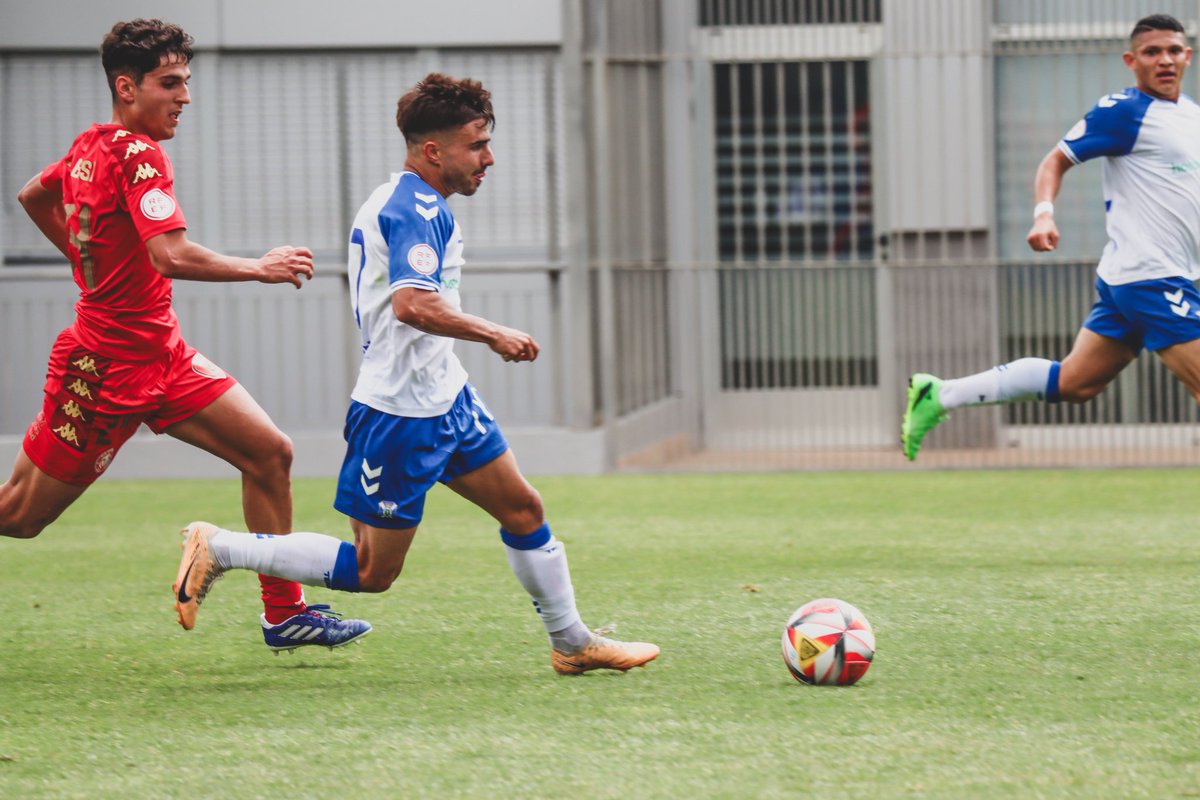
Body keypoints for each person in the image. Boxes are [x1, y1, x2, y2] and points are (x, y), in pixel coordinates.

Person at [173, 73, 660, 674]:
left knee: (524, 510)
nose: (489, 158)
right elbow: (413, 304)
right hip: (401, 413)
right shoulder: (414, 208)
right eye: (476, 144)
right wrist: (495, 333)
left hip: (444, 396)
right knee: (372, 571)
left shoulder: (404, 200)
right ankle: (220, 546)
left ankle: (572, 642)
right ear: (434, 151)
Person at [3, 18, 370, 651]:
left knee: (270, 453)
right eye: (170, 83)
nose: (185, 97)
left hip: (163, 359)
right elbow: (169, 255)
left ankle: (283, 613)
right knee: (19, 516)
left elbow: (36, 196)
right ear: (127, 86)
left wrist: (89, 262)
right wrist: (260, 267)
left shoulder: (92, 145)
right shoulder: (140, 153)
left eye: (186, 82)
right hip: (104, 370)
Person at [902, 13, 1200, 461]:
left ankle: (939, 395)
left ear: (1188, 57)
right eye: (1151, 52)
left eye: (1173, 50)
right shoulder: (1123, 111)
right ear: (1130, 60)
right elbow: (1054, 162)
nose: (1164, 60)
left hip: (1142, 275)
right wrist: (1044, 215)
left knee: (1075, 383)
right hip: (1150, 277)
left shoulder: (1190, 116)